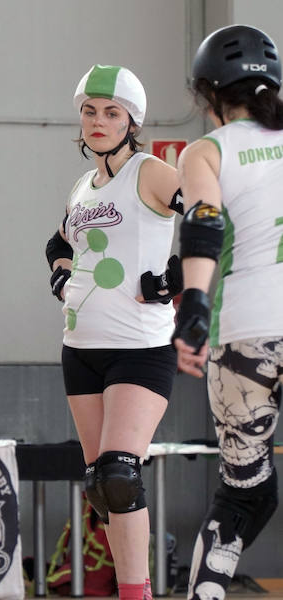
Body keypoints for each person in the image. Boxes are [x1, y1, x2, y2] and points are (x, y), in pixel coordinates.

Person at [46, 65, 184, 600]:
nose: (98, 121)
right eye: (89, 111)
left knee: (121, 473)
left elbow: (209, 216)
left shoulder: (149, 172)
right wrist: (61, 276)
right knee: (102, 487)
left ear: (132, 121)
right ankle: (131, 588)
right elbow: (57, 244)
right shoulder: (83, 186)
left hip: (141, 350)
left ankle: (136, 594)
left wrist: (175, 276)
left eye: (111, 112)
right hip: (80, 350)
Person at [171, 25, 283, 600]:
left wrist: (192, 308)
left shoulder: (207, 151)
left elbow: (205, 227)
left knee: (245, 495)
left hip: (245, 335)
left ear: (208, 93)